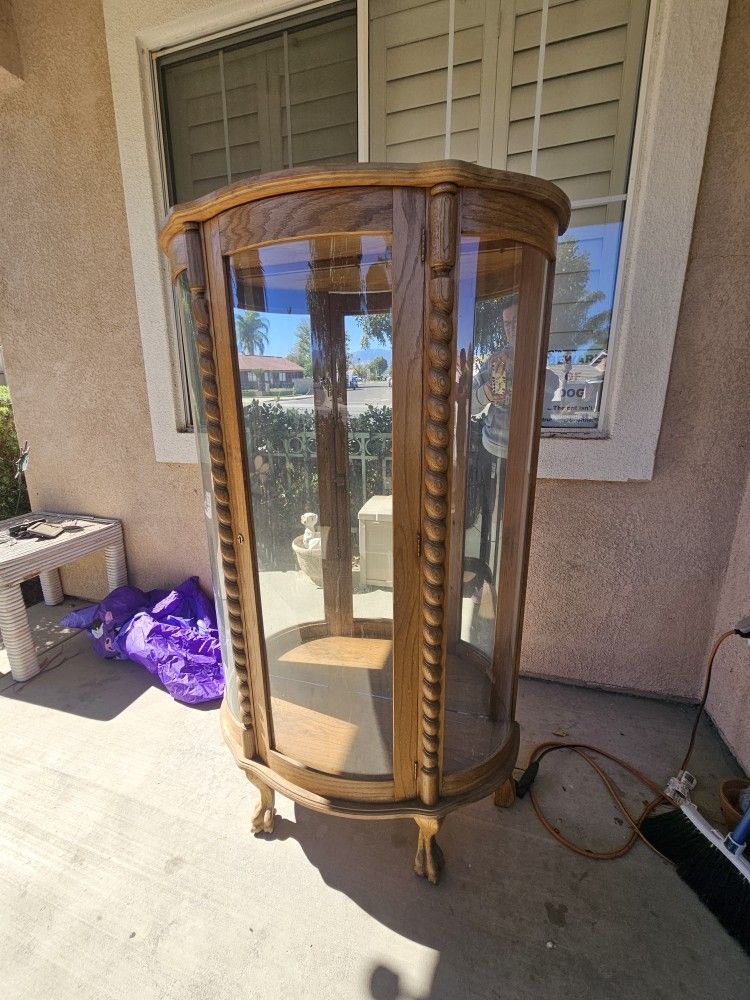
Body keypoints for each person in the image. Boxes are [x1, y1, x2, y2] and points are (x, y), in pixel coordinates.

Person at [470, 298, 559, 594]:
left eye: (517, 321)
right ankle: (485, 574)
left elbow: (549, 397)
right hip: (490, 450)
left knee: (513, 521)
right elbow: (467, 403)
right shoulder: (495, 361)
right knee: (486, 514)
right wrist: (486, 392)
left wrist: (523, 384)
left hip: (521, 456)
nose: (512, 329)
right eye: (507, 323)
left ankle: (509, 580)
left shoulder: (538, 360)